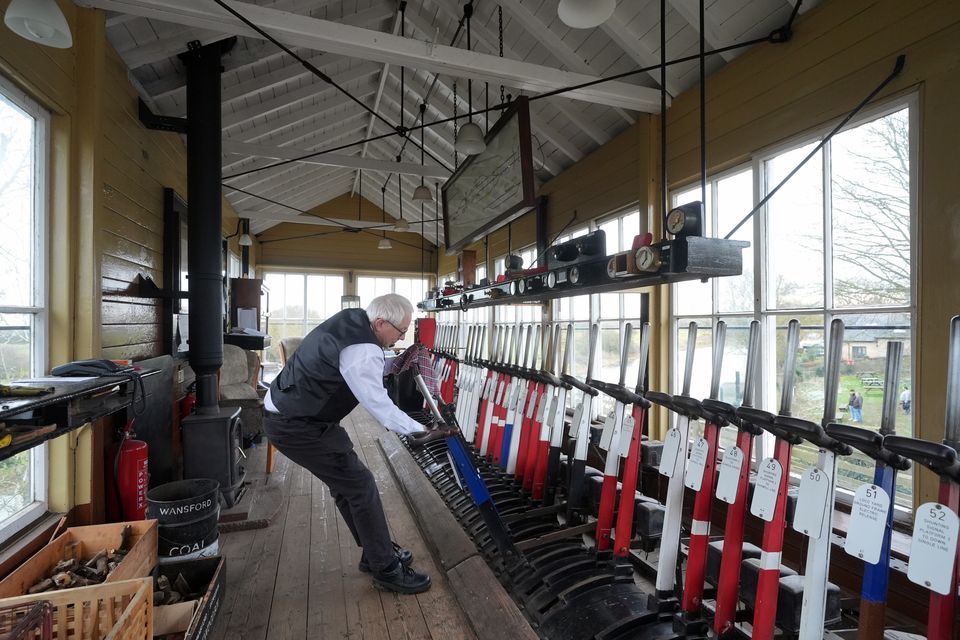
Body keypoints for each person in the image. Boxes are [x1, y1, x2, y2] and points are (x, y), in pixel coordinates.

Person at [263, 294, 448, 594]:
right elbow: (378, 404)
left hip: (297, 414)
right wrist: (423, 428)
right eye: (400, 332)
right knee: (360, 485)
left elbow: (354, 366)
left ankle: (375, 553)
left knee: (347, 484)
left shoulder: (352, 322)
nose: (402, 337)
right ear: (379, 323)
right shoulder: (364, 349)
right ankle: (387, 570)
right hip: (296, 425)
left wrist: (390, 363)